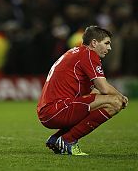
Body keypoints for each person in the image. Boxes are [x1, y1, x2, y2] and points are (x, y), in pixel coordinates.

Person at [37, 26, 128, 155]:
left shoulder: (75, 52)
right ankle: (68, 140)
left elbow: (95, 92)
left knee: (101, 98)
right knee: (115, 102)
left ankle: (57, 138)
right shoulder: (89, 54)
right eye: (106, 43)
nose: (109, 48)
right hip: (57, 109)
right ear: (94, 43)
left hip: (50, 110)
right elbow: (104, 87)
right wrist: (121, 97)